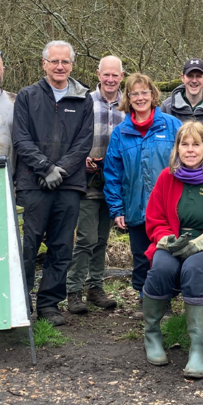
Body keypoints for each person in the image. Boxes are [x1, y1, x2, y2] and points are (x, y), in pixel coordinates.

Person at [142, 121, 203, 379]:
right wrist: (166, 240)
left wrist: (199, 244)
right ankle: (152, 333)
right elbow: (154, 219)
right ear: (177, 148)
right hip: (173, 243)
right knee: (161, 268)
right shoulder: (166, 177)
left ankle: (198, 348)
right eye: (184, 144)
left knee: (194, 269)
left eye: (196, 144)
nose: (190, 149)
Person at [13, 40, 94, 326]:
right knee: (28, 246)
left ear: (72, 65)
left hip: (69, 185)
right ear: (44, 63)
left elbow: (84, 142)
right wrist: (45, 168)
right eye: (54, 61)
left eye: (65, 62)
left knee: (61, 247)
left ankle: (49, 304)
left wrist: (60, 170)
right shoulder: (27, 96)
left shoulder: (84, 98)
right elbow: (21, 139)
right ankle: (20, 302)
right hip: (33, 184)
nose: (60, 67)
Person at [104, 73, 182, 316]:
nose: (140, 98)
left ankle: (165, 300)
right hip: (135, 205)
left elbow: (186, 162)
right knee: (140, 256)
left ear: (153, 94)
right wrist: (117, 208)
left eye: (144, 92)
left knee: (166, 254)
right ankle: (144, 299)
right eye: (134, 93)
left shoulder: (171, 125)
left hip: (168, 206)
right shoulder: (121, 132)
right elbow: (112, 172)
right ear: (127, 98)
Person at [66, 56, 125, 314]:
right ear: (98, 74)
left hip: (115, 185)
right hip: (87, 181)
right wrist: (82, 160)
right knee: (86, 238)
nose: (110, 79)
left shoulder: (128, 104)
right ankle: (73, 290)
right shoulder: (85, 102)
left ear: (122, 76)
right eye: (106, 75)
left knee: (102, 238)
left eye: (115, 75)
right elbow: (72, 138)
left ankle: (95, 287)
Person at [159, 58, 203, 143]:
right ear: (182, 78)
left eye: (199, 76)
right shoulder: (167, 107)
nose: (194, 80)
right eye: (190, 76)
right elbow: (159, 142)